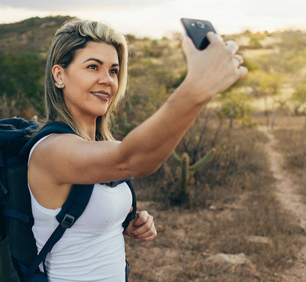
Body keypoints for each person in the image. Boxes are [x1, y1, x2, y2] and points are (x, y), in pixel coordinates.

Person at [27, 19, 247, 281]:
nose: (107, 80)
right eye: (93, 67)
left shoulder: (95, 145)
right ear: (59, 75)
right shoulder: (52, 150)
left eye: (113, 71)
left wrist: (124, 220)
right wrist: (197, 89)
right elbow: (133, 159)